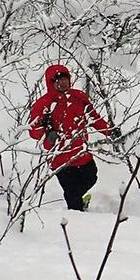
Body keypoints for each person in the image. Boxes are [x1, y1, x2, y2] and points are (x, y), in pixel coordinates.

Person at [28, 64, 112, 211]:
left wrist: (109, 131)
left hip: (81, 152)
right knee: (72, 194)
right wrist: (47, 134)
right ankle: (78, 219)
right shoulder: (43, 104)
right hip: (60, 158)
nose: (63, 83)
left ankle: (77, 203)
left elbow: (94, 118)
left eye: (65, 78)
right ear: (51, 82)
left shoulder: (79, 97)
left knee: (91, 178)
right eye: (58, 80)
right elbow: (33, 130)